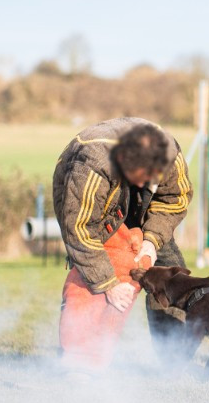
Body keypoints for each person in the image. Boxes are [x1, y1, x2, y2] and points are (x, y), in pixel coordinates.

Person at [52, 117, 193, 371]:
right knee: (91, 283)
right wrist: (107, 283)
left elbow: (176, 198)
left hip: (142, 211)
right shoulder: (92, 166)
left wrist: (152, 239)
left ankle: (174, 363)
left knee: (172, 279)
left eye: (151, 177)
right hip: (95, 213)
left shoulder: (171, 155)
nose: (144, 183)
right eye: (141, 176)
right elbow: (80, 229)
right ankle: (77, 361)